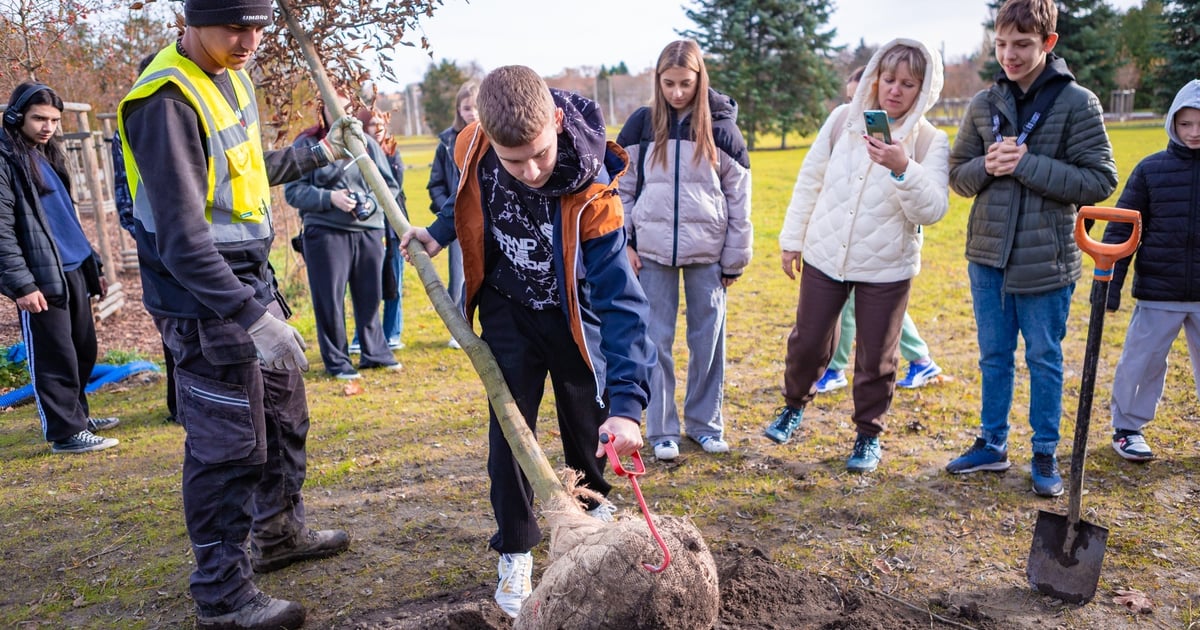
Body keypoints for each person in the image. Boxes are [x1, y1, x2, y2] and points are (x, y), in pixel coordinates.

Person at [117, 1, 355, 627]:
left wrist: (311, 154)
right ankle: (223, 596)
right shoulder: (166, 103)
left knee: (282, 416)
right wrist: (252, 317)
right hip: (203, 299)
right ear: (191, 22)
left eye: (257, 26)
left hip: (249, 280)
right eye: (234, 27)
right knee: (229, 447)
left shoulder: (231, 75)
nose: (249, 39)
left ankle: (278, 536)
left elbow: (238, 178)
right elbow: (182, 238)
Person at [400, 65, 655, 619]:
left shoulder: (594, 191)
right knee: (510, 431)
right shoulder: (471, 146)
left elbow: (622, 302)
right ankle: (516, 547)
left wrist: (630, 405)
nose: (533, 170)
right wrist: (437, 233)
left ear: (558, 122)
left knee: (583, 417)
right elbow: (467, 197)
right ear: (488, 138)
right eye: (515, 161)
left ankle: (589, 514)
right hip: (506, 309)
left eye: (540, 153)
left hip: (568, 313)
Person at [944, 0, 1117, 497]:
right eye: (1001, 44)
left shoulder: (1077, 103)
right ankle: (992, 444)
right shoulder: (982, 104)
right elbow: (958, 176)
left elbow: (1100, 180)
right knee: (993, 356)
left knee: (1044, 358)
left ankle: (1044, 452)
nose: (1009, 55)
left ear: (1048, 43)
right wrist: (990, 167)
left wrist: (1025, 164)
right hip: (988, 256)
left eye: (1022, 44)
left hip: (1047, 261)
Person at [763, 40, 950, 474]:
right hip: (825, 255)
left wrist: (902, 167)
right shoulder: (842, 121)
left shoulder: (929, 141)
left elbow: (933, 210)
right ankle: (793, 406)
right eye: (889, 79)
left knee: (876, 358)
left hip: (886, 267)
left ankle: (868, 435)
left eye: (908, 84)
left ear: (924, 90)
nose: (895, 90)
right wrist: (793, 239)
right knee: (807, 342)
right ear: (875, 78)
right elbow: (810, 180)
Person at [615, 39, 751, 461]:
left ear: (699, 79)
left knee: (708, 341)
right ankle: (661, 430)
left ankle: (705, 425)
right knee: (655, 342)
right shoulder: (640, 125)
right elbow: (619, 188)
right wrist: (628, 243)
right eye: (669, 83)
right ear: (658, 81)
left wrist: (734, 257)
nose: (677, 92)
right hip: (651, 254)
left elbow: (739, 198)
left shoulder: (723, 128)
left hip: (708, 256)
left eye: (686, 84)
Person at [0, 82, 120, 454]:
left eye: (53, 119)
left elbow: (66, 217)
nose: (47, 126)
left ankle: (78, 418)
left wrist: (92, 264)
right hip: (39, 275)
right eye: (38, 118)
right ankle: (65, 433)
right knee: (55, 356)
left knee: (82, 349)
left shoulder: (47, 154)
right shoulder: (5, 159)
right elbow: (1, 229)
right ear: (17, 115)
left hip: (71, 269)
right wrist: (21, 284)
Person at [817, 65, 942, 394]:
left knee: (864, 306)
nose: (851, 107)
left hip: (888, 239)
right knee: (857, 305)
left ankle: (838, 367)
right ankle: (918, 360)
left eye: (857, 99)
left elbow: (923, 199)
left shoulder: (910, 139)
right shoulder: (847, 132)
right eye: (847, 99)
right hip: (851, 237)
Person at [1102, 80, 1200, 463]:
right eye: (1186, 124)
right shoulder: (1151, 170)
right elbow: (1121, 228)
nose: (1194, 133)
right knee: (1142, 360)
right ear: (1173, 124)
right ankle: (1127, 428)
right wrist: (1110, 286)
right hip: (1159, 291)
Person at [284, 95, 402, 380]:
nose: (342, 112)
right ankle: (337, 361)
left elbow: (390, 186)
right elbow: (293, 192)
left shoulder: (368, 145)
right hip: (325, 233)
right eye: (334, 106)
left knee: (370, 296)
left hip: (368, 232)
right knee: (330, 301)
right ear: (321, 108)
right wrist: (330, 198)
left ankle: (375, 353)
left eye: (348, 107)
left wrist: (371, 202)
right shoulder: (306, 144)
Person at [113, 53, 179, 424]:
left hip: (195, 241)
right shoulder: (132, 121)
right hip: (159, 245)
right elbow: (125, 195)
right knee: (174, 327)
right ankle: (179, 406)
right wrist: (152, 236)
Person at [426, 80, 478, 349]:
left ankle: (474, 326)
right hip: (455, 223)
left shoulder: (491, 138)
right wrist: (449, 215)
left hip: (483, 221)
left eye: (476, 107)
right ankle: (457, 329)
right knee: (458, 278)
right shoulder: (446, 142)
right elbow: (434, 183)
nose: (472, 113)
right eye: (467, 107)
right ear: (459, 109)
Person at [351, 107, 407, 352]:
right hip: (365, 227)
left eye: (380, 123)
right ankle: (361, 336)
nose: (377, 128)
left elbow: (395, 188)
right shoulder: (354, 154)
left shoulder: (393, 154)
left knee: (394, 280)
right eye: (371, 123)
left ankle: (392, 332)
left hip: (392, 227)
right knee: (365, 285)